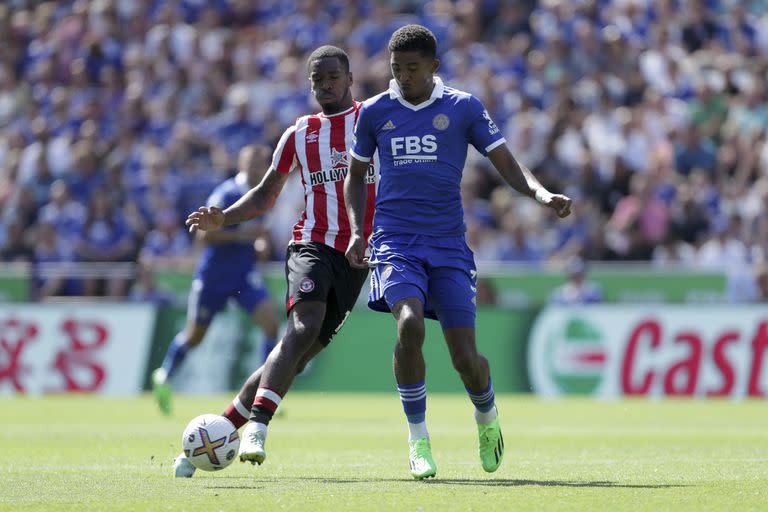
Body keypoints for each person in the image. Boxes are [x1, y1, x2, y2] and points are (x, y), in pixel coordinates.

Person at [344, 25, 572, 479]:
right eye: (396, 69)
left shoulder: (463, 107)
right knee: (408, 324)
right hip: (394, 242)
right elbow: (355, 176)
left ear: (434, 67)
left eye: (413, 68)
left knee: (466, 360)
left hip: (448, 246)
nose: (404, 77)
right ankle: (418, 439)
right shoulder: (373, 113)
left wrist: (542, 195)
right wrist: (357, 230)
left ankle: (486, 418)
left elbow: (505, 162)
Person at [175, 45, 377, 477]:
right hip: (311, 243)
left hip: (357, 257)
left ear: (349, 79)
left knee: (295, 356)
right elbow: (267, 194)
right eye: (316, 79)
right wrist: (224, 217)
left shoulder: (374, 121)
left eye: (332, 77)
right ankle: (257, 428)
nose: (325, 85)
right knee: (301, 327)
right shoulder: (299, 134)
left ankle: (216, 434)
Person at [151, 144, 281, 416]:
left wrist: (259, 245)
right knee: (195, 337)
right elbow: (203, 235)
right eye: (256, 162)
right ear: (243, 165)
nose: (262, 167)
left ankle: (263, 393)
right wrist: (245, 237)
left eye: (265, 162)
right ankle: (164, 376)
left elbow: (259, 235)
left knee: (271, 324)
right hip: (214, 277)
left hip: (243, 277)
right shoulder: (226, 193)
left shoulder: (263, 195)